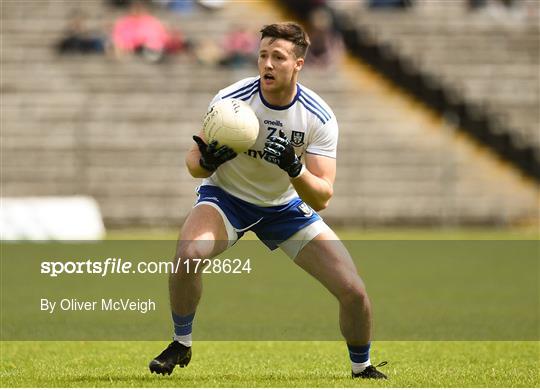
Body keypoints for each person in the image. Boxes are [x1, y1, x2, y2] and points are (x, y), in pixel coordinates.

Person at [148, 22, 387, 380]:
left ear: (299, 65)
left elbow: (322, 196)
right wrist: (207, 162)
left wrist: (294, 167)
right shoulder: (231, 100)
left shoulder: (317, 116)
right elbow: (193, 163)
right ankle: (181, 343)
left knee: (354, 291)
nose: (268, 65)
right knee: (188, 254)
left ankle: (362, 367)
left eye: (278, 57)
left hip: (285, 208)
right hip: (227, 198)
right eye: (262, 56)